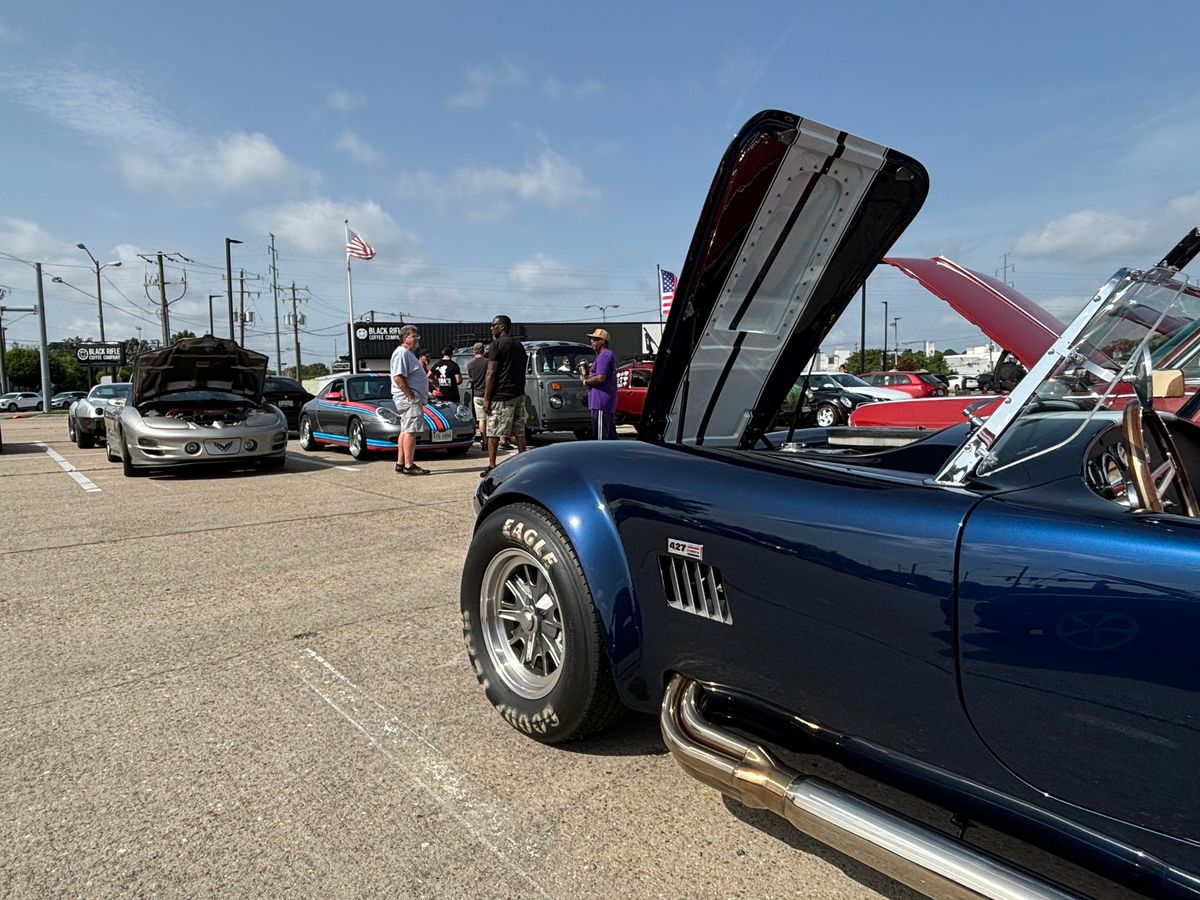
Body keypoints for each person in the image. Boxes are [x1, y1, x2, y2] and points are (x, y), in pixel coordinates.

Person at [481, 315, 527, 477]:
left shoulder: (497, 345)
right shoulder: (519, 345)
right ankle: (523, 463)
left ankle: (492, 466)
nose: (491, 328)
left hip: (501, 395)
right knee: (519, 430)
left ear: (502, 326)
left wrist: (487, 398)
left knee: (493, 431)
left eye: (493, 325)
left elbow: (491, 372)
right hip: (519, 393)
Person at [389, 325, 430, 476]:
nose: (417, 339)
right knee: (411, 432)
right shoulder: (402, 354)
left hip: (409, 399)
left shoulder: (408, 354)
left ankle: (400, 463)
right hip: (408, 399)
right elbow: (398, 377)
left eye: (417, 336)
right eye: (414, 336)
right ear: (405, 338)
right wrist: (411, 396)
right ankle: (409, 465)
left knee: (405, 430)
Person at [581, 327, 617, 440]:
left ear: (603, 341)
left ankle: (602, 457)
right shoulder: (604, 356)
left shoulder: (604, 356)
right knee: (611, 437)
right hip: (603, 401)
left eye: (595, 339)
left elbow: (601, 378)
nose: (592, 342)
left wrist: (585, 380)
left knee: (600, 438)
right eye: (592, 339)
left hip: (601, 401)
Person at [466, 341, 488, 447]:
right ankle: (494, 440)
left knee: (481, 419)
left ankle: (484, 440)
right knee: (492, 418)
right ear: (483, 350)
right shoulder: (488, 362)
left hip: (477, 394)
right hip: (488, 394)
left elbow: (472, 379)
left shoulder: (470, 365)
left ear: (474, 352)